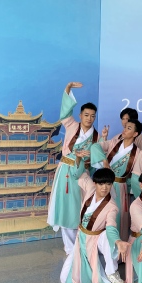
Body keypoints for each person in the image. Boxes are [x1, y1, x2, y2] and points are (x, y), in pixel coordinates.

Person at [47, 82, 101, 255]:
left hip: (82, 174)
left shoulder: (97, 136)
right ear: (80, 115)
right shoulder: (71, 125)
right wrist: (68, 89)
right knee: (65, 208)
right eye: (86, 115)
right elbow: (65, 113)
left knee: (80, 207)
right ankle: (69, 247)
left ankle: (80, 244)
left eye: (92, 116)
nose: (89, 118)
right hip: (65, 172)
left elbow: (97, 159)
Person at [60, 167, 131, 283]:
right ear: (95, 183)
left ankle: (112, 272)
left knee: (108, 238)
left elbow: (111, 227)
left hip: (97, 237)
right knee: (65, 277)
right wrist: (78, 159)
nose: (104, 188)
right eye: (101, 184)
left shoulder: (112, 207)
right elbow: (78, 174)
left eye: (108, 184)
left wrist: (118, 241)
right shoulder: (90, 189)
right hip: (81, 237)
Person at [90, 119, 142, 240]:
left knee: (117, 215)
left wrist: (128, 188)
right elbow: (95, 146)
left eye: (129, 128)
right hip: (105, 183)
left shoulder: (138, 153)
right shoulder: (114, 142)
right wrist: (104, 161)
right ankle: (97, 242)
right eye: (125, 127)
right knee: (100, 212)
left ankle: (116, 243)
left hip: (120, 187)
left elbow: (134, 176)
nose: (124, 130)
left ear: (135, 134)